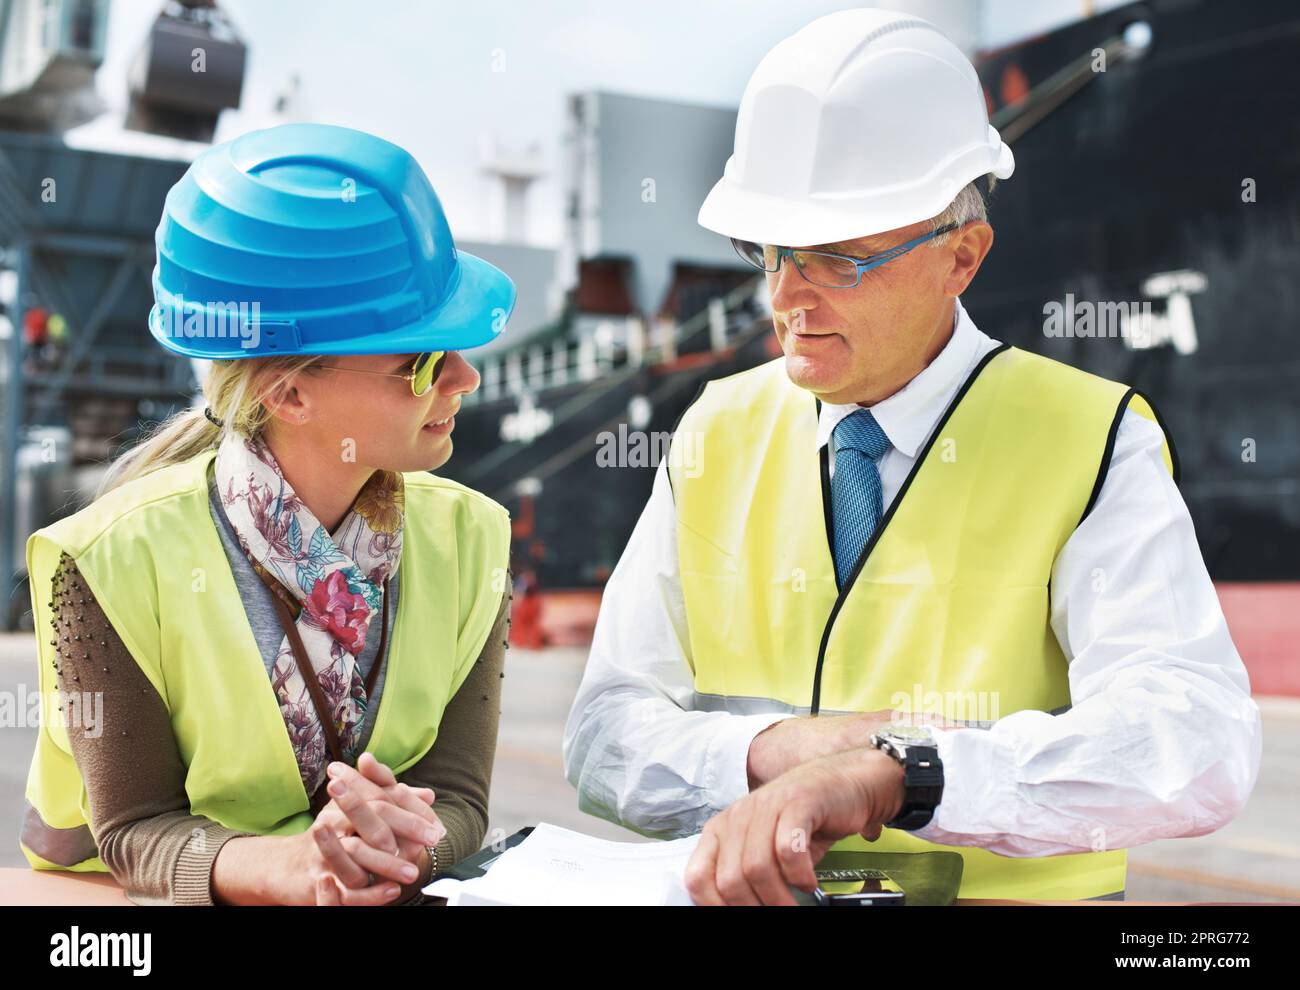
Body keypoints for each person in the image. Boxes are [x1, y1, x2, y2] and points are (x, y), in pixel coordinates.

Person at [563, 9, 1261, 904]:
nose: (786, 297)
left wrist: (911, 776)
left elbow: (1195, 741)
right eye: (767, 251)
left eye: (834, 260)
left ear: (962, 258)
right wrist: (776, 753)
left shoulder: (1093, 438)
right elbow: (600, 739)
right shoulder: (710, 431)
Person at [20, 123, 517, 906]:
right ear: (289, 393)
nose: (465, 377)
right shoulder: (106, 560)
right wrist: (294, 867)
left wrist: (392, 850)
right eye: (421, 361)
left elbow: (458, 798)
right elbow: (133, 828)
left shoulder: (472, 538)